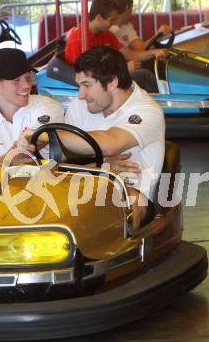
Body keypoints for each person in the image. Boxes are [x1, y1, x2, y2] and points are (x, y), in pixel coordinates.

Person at [21, 46, 165, 230]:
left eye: (87, 85)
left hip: (129, 190)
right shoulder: (81, 105)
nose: (80, 94)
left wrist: (48, 134)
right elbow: (64, 161)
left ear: (112, 82)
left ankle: (117, 253)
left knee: (124, 202)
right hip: (82, 184)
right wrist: (103, 168)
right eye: (79, 85)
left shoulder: (147, 110)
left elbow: (111, 143)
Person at [64, 0, 169, 93]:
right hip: (93, 85)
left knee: (148, 64)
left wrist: (154, 53)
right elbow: (85, 76)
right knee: (144, 75)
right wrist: (121, 70)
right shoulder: (78, 40)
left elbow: (128, 53)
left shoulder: (106, 34)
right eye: (111, 20)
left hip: (106, 78)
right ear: (99, 18)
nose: (114, 23)